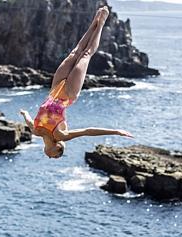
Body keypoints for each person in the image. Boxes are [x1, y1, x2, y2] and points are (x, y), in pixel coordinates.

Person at [20, 6, 133, 159]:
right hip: (69, 94)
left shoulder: (36, 131)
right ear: (58, 148)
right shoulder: (61, 135)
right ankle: (100, 24)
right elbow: (88, 131)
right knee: (85, 54)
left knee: (75, 52)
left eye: (52, 157)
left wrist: (24, 113)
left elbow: (27, 119)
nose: (49, 157)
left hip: (55, 88)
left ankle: (94, 22)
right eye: (54, 157)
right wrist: (115, 131)